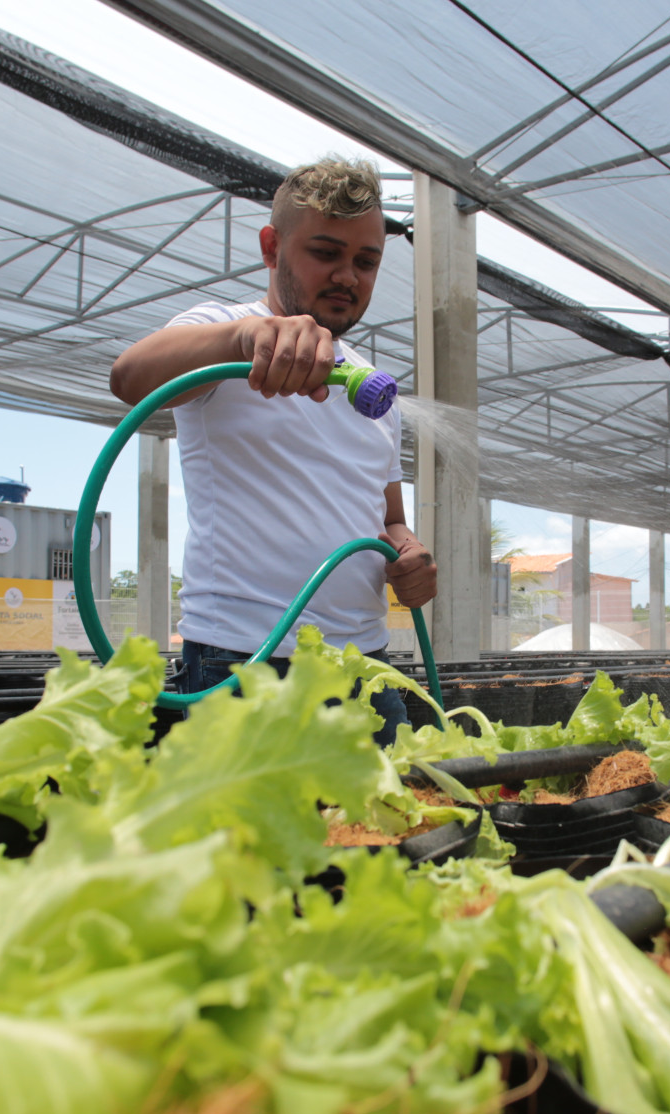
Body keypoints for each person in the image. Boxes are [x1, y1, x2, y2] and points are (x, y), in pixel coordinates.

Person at [109, 157, 435, 744]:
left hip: (365, 666)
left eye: (366, 262)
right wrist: (244, 339)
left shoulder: (370, 385)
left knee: (398, 805)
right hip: (246, 662)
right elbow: (130, 377)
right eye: (326, 253)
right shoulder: (228, 332)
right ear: (271, 247)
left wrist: (407, 554)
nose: (347, 276)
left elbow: (388, 518)